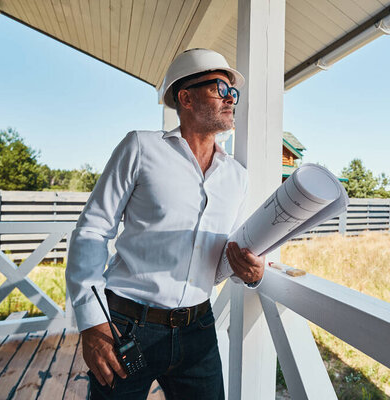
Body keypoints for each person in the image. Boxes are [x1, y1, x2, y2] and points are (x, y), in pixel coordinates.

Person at [65, 48, 265, 400]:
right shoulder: (141, 147)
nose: (231, 99)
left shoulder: (237, 177)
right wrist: (92, 323)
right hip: (126, 327)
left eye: (234, 93)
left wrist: (251, 271)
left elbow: (224, 258)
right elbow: (93, 229)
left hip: (199, 329)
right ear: (185, 97)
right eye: (221, 88)